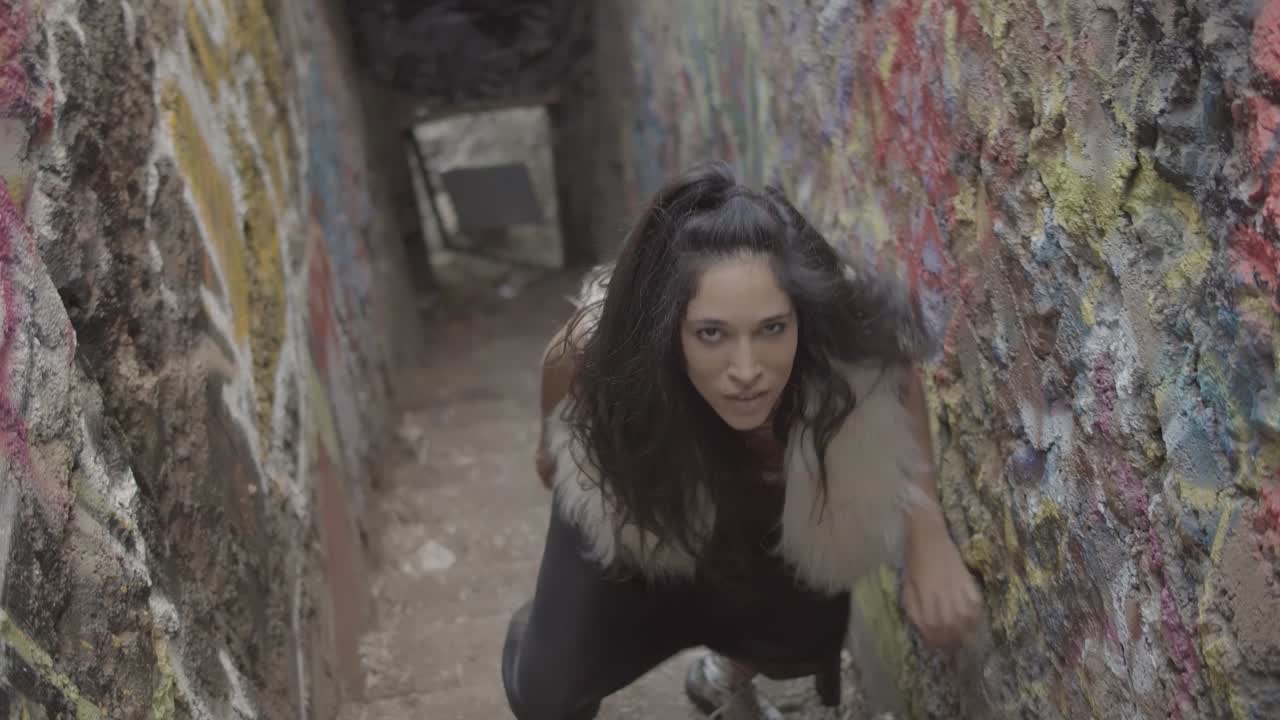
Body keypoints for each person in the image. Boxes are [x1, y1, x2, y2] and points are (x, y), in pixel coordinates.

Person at [503, 161, 982, 719]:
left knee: (801, 641)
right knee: (547, 693)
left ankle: (724, 673)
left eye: (772, 329)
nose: (747, 369)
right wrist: (551, 459)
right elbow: (561, 370)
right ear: (667, 327)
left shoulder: (834, 323)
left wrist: (928, 535)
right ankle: (547, 627)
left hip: (755, 507)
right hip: (637, 489)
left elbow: (897, 381)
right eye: (712, 334)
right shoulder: (607, 343)